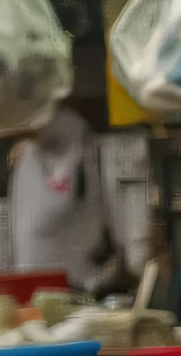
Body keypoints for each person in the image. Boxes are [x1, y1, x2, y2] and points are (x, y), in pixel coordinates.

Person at [6, 100, 114, 289]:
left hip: (73, 281)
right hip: (32, 278)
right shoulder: (31, 152)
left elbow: (57, 207)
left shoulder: (72, 136)